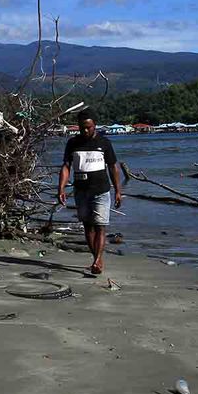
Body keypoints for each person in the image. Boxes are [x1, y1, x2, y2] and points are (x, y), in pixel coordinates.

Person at [58, 109, 122, 274]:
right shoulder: (72, 143)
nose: (85, 130)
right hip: (81, 191)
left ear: (95, 125)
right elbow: (66, 166)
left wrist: (118, 191)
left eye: (89, 127)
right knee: (88, 226)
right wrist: (61, 188)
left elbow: (113, 167)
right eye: (82, 128)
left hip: (101, 190)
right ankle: (96, 259)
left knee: (100, 226)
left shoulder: (105, 143)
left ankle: (97, 260)